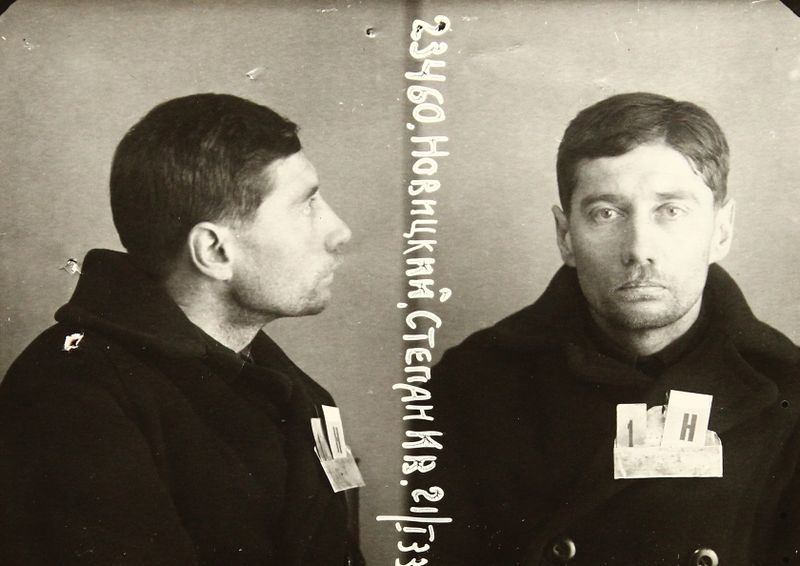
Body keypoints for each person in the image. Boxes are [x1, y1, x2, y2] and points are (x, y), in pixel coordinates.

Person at [424, 93, 800, 565]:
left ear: (721, 231)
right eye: (606, 212)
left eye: (671, 210)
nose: (639, 248)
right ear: (565, 235)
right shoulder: (468, 386)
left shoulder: (789, 392)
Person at [0, 94, 361, 565]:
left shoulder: (299, 394)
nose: (340, 231)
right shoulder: (72, 401)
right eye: (306, 205)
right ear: (214, 251)